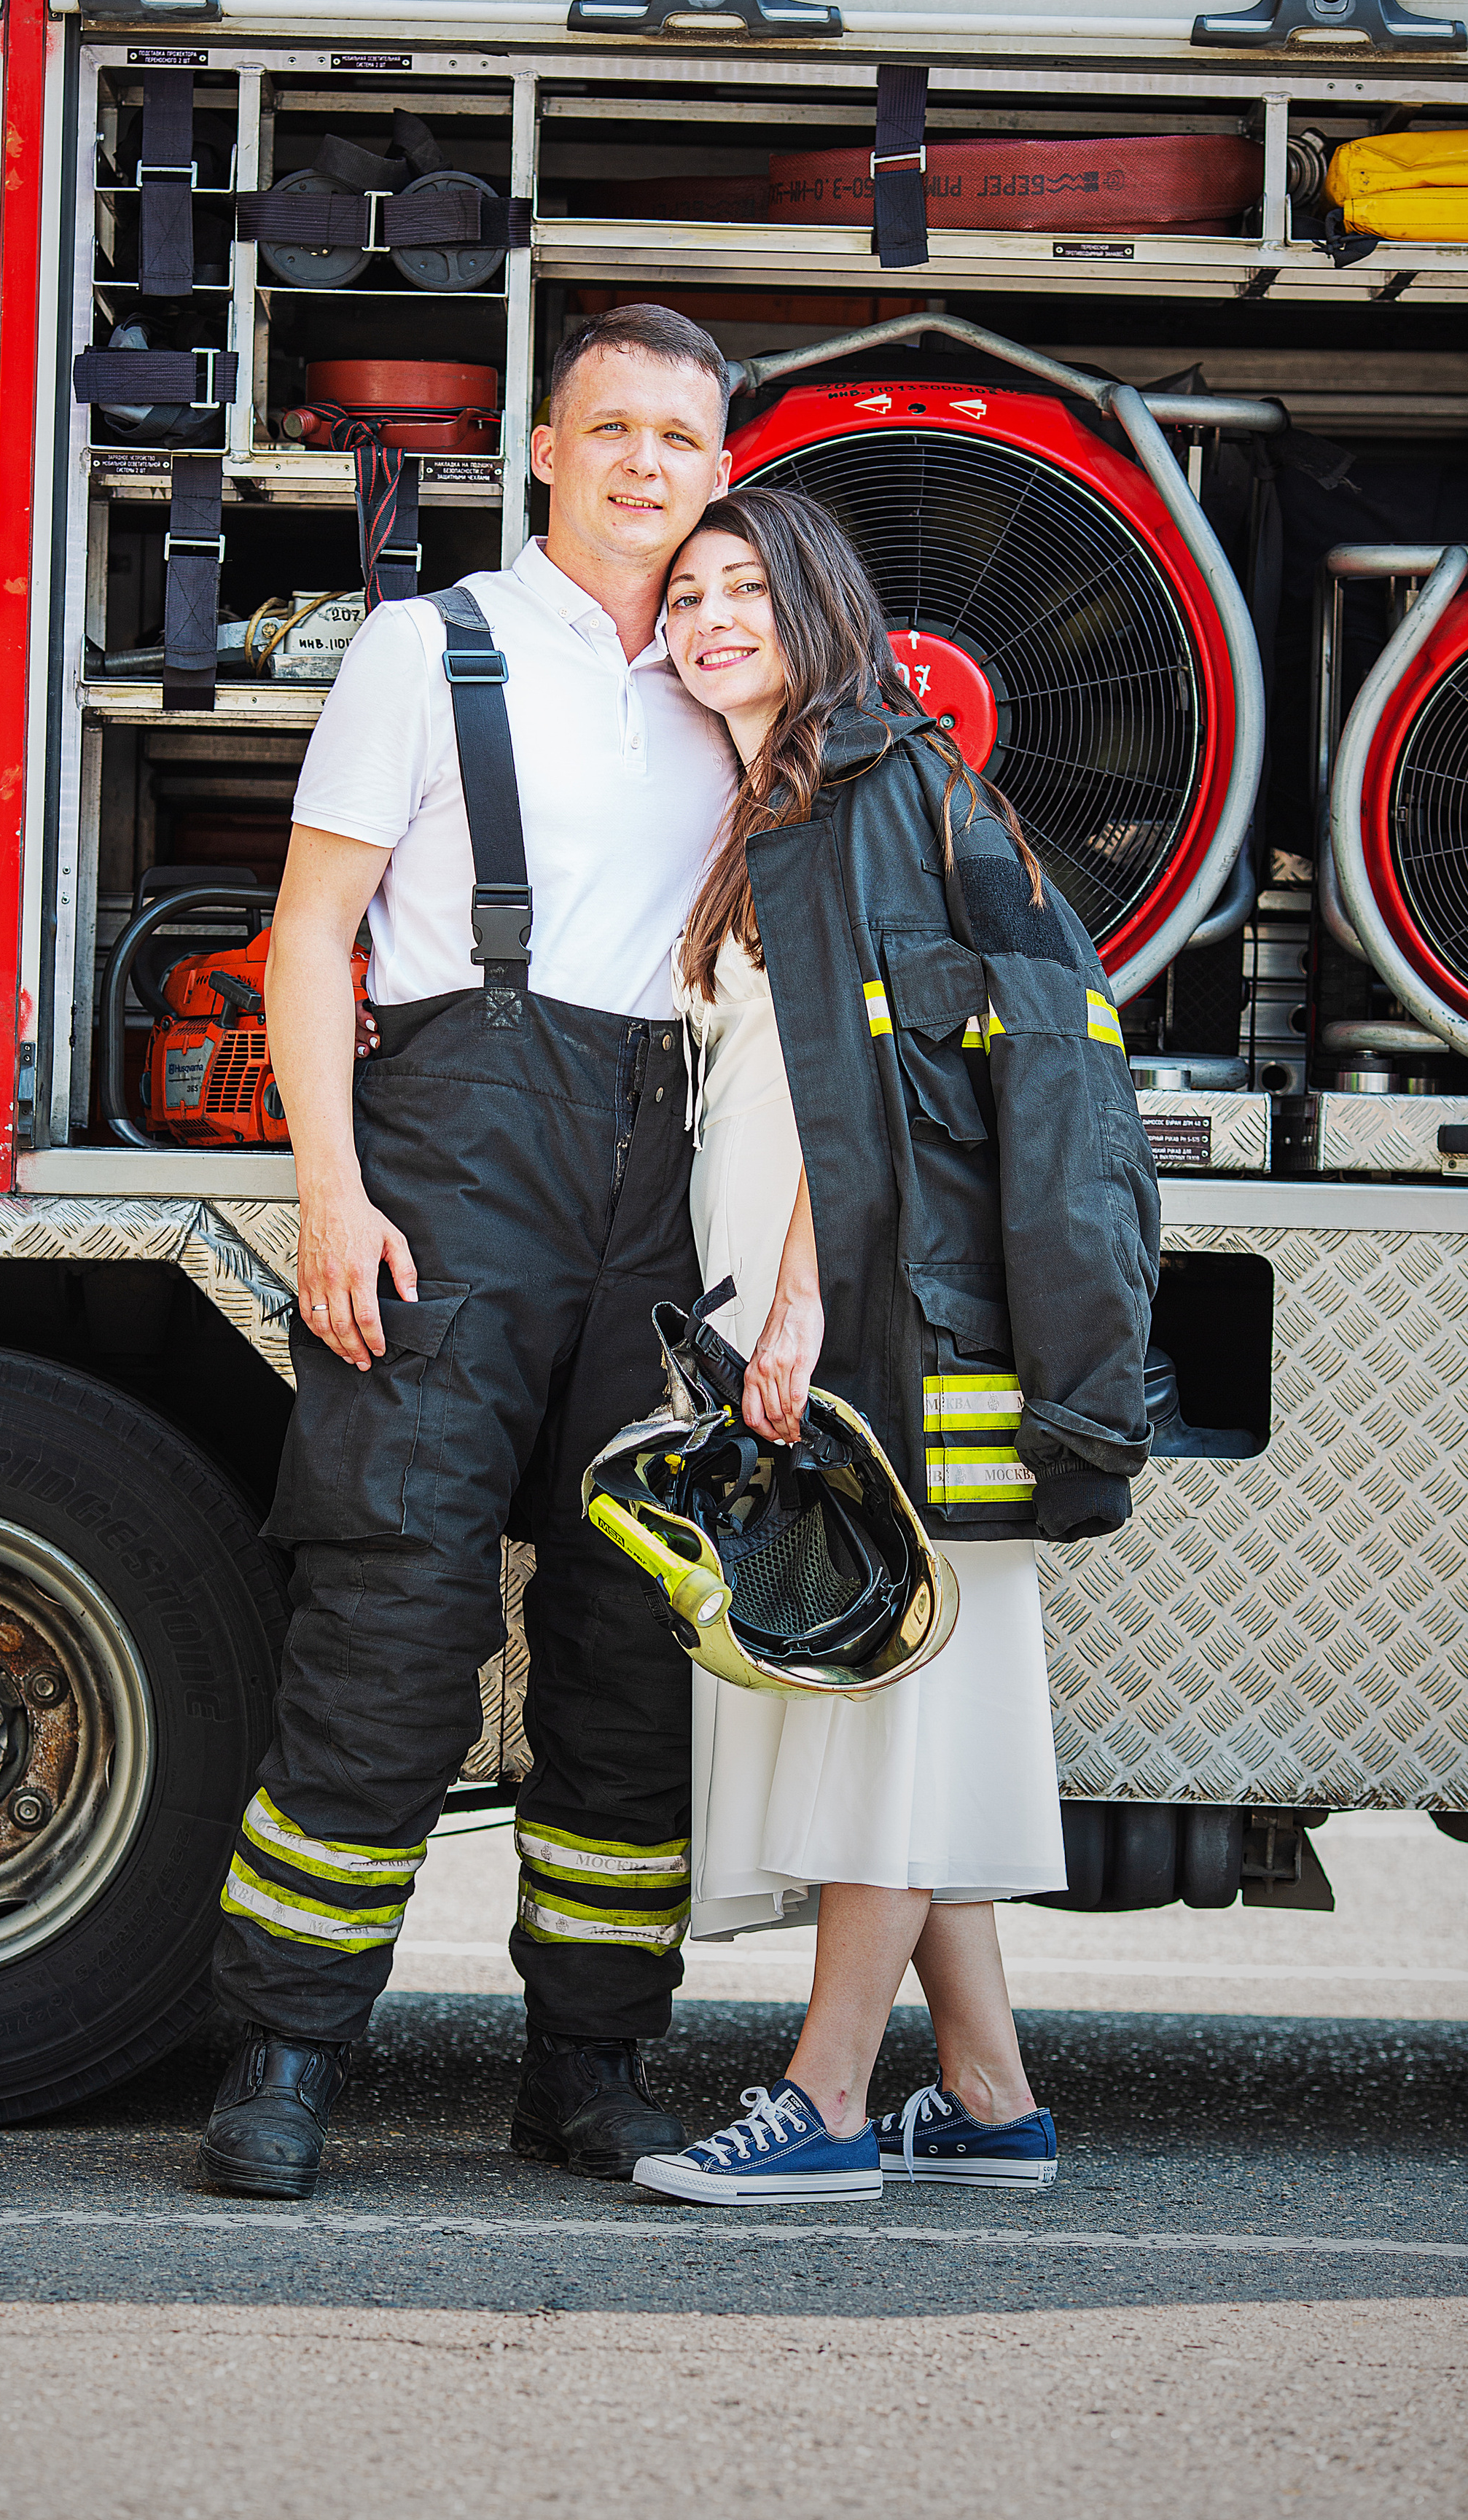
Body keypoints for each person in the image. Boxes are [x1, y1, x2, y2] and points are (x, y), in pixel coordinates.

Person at [199, 305, 740, 2200]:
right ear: (543, 448)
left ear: (721, 469)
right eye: (613, 431)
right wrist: (327, 1196)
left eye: (681, 439)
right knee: (389, 1640)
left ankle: (590, 2070)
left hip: (664, 1196)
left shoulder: (734, 679)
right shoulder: (432, 651)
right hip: (445, 1182)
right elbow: (304, 936)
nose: (645, 467)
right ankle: (280, 2062)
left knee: (630, 1656)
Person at [628, 487, 1158, 2206]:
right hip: (841, 1303)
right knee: (908, 1694)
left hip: (870, 1318)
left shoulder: (856, 791)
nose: (711, 620)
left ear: (817, 607)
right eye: (687, 595)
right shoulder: (800, 790)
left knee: (880, 1701)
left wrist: (799, 1308)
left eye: (745, 593)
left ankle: (830, 2100)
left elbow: (882, 1095)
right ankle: (990, 2097)